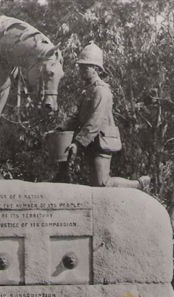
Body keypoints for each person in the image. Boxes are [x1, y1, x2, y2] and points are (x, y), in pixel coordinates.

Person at [54, 42, 150, 189]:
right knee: (94, 184)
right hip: (92, 142)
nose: (80, 70)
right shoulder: (87, 91)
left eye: (85, 67)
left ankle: (139, 184)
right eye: (80, 66)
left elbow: (95, 121)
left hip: (101, 142)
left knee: (102, 183)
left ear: (95, 69)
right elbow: (76, 116)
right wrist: (61, 129)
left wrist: (78, 143)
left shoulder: (101, 91)